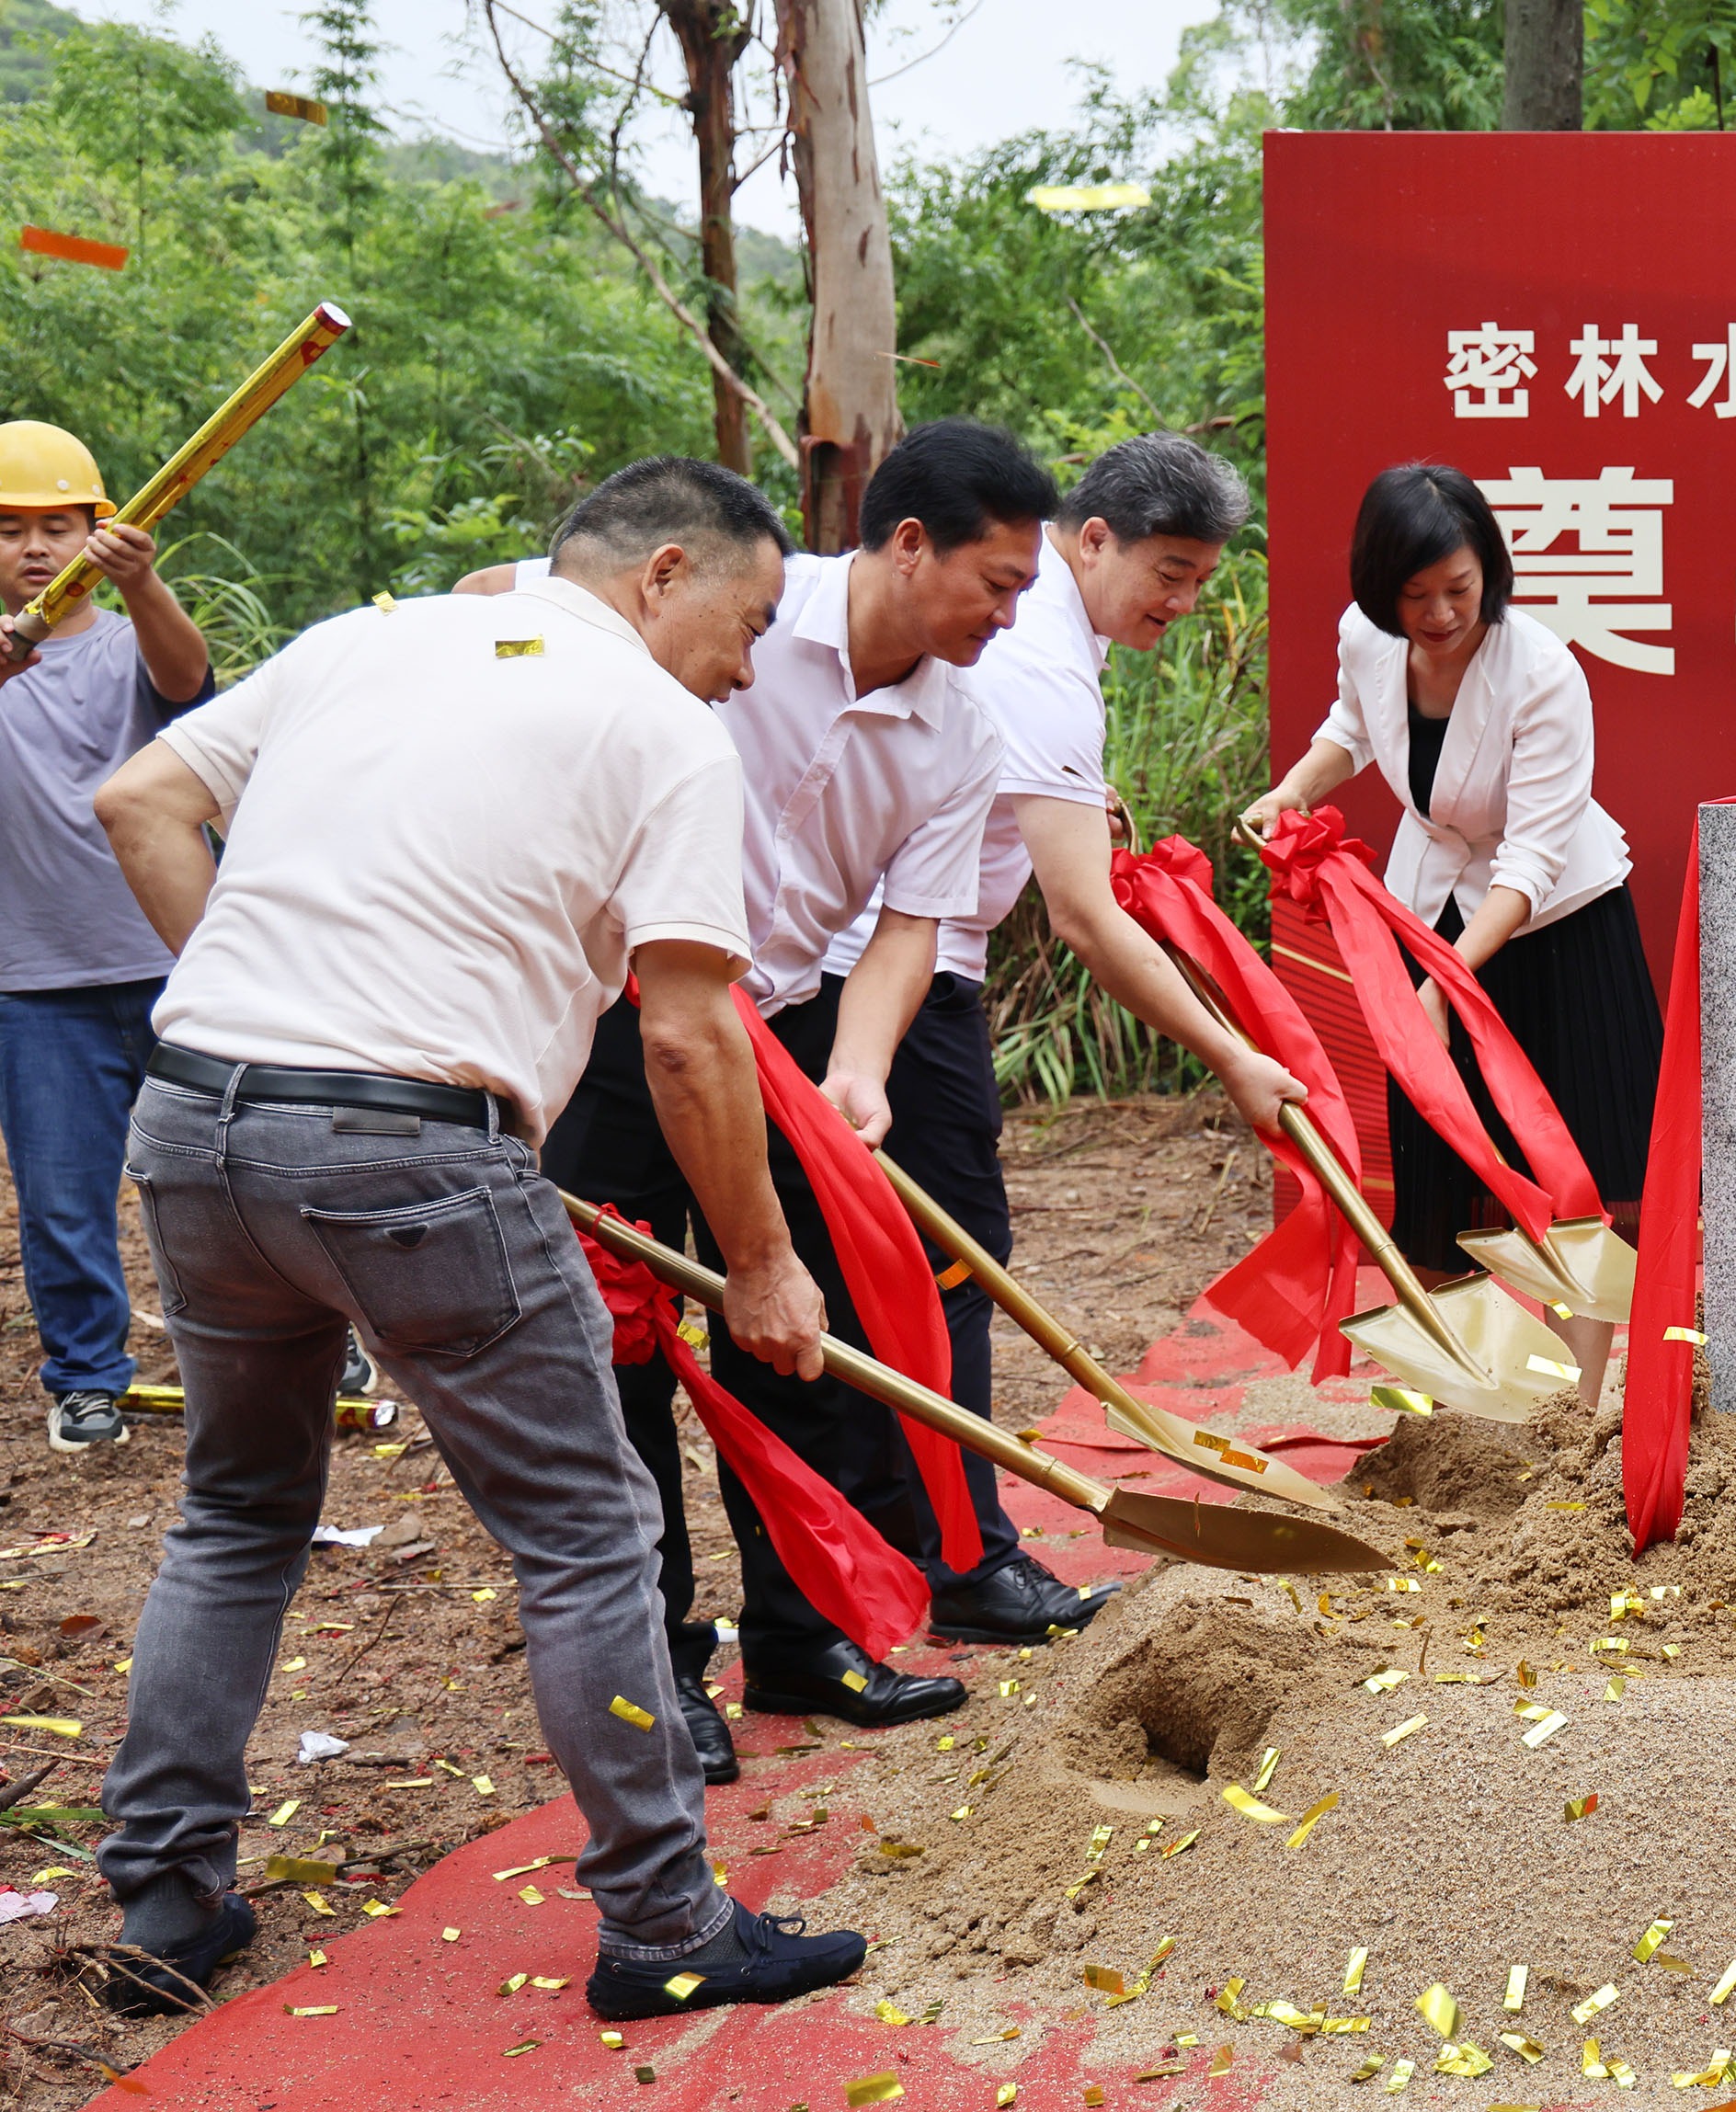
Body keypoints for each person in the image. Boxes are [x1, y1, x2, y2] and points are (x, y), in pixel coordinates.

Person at [84, 456, 868, 2021]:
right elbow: (695, 1034)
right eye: (750, 617)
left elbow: (142, 801)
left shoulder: (361, 640)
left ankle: (166, 1900)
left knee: (239, 1508)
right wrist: (767, 1266)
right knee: (586, 1532)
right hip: (409, 1150)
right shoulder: (659, 730)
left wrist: (281, 1029)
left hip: (196, 1115)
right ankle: (663, 1922)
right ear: (661, 571)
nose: (748, 660)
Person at [469, 419, 1057, 1763]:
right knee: (618, 1348)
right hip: (617, 1025)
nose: (1008, 616)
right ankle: (657, 1670)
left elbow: (912, 923)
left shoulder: (962, 732)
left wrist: (854, 1068)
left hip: (774, 1040)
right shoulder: (731, 595)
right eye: (997, 583)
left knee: (793, 1332)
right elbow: (492, 604)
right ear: (908, 544)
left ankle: (801, 1639)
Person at [814, 432, 1304, 1598]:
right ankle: (964, 1556)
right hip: (891, 974)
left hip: (883, 958)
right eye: (1167, 572)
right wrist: (1232, 1054)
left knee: (897, 1259)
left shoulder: (1031, 648)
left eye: (1201, 580)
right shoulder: (1034, 663)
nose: (1184, 603)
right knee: (951, 1257)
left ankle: (898, 1543)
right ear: (1092, 540)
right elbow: (1085, 918)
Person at [1244, 463, 1656, 1384]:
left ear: (1490, 570)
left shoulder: (1542, 669)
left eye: (1458, 590)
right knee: (1436, 1166)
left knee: (1567, 1164)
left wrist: (1444, 983)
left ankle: (1579, 1401)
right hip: (1432, 904)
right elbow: (1351, 726)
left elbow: (1532, 858)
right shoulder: (1367, 636)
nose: (1437, 615)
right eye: (1414, 595)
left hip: (1554, 929)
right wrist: (1294, 788)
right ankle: (1466, 1389)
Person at [0, 422, 211, 1454]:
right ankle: (85, 1374)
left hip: (180, 965)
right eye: (7, 529)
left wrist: (142, 586)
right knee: (62, 1199)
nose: (34, 549)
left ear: (99, 528)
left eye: (57, 525)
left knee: (229, 1172)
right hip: (35, 982)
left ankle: (303, 1341)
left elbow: (186, 683)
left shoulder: (132, 637)